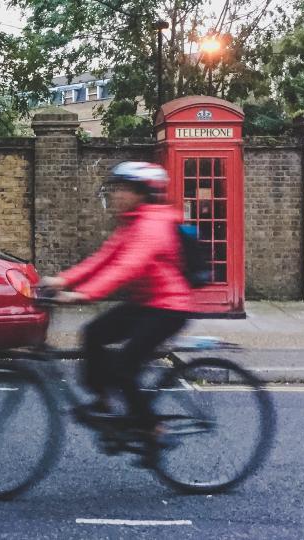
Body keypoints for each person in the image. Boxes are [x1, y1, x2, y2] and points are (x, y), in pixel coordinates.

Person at [39, 161, 193, 438]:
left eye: (123, 189)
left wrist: (82, 295)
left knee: (124, 368)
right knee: (93, 332)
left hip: (169, 309)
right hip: (146, 303)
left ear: (141, 193)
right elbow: (103, 259)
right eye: (116, 188)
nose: (116, 195)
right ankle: (103, 400)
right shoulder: (132, 224)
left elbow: (125, 269)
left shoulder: (152, 226)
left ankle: (151, 428)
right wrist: (62, 280)